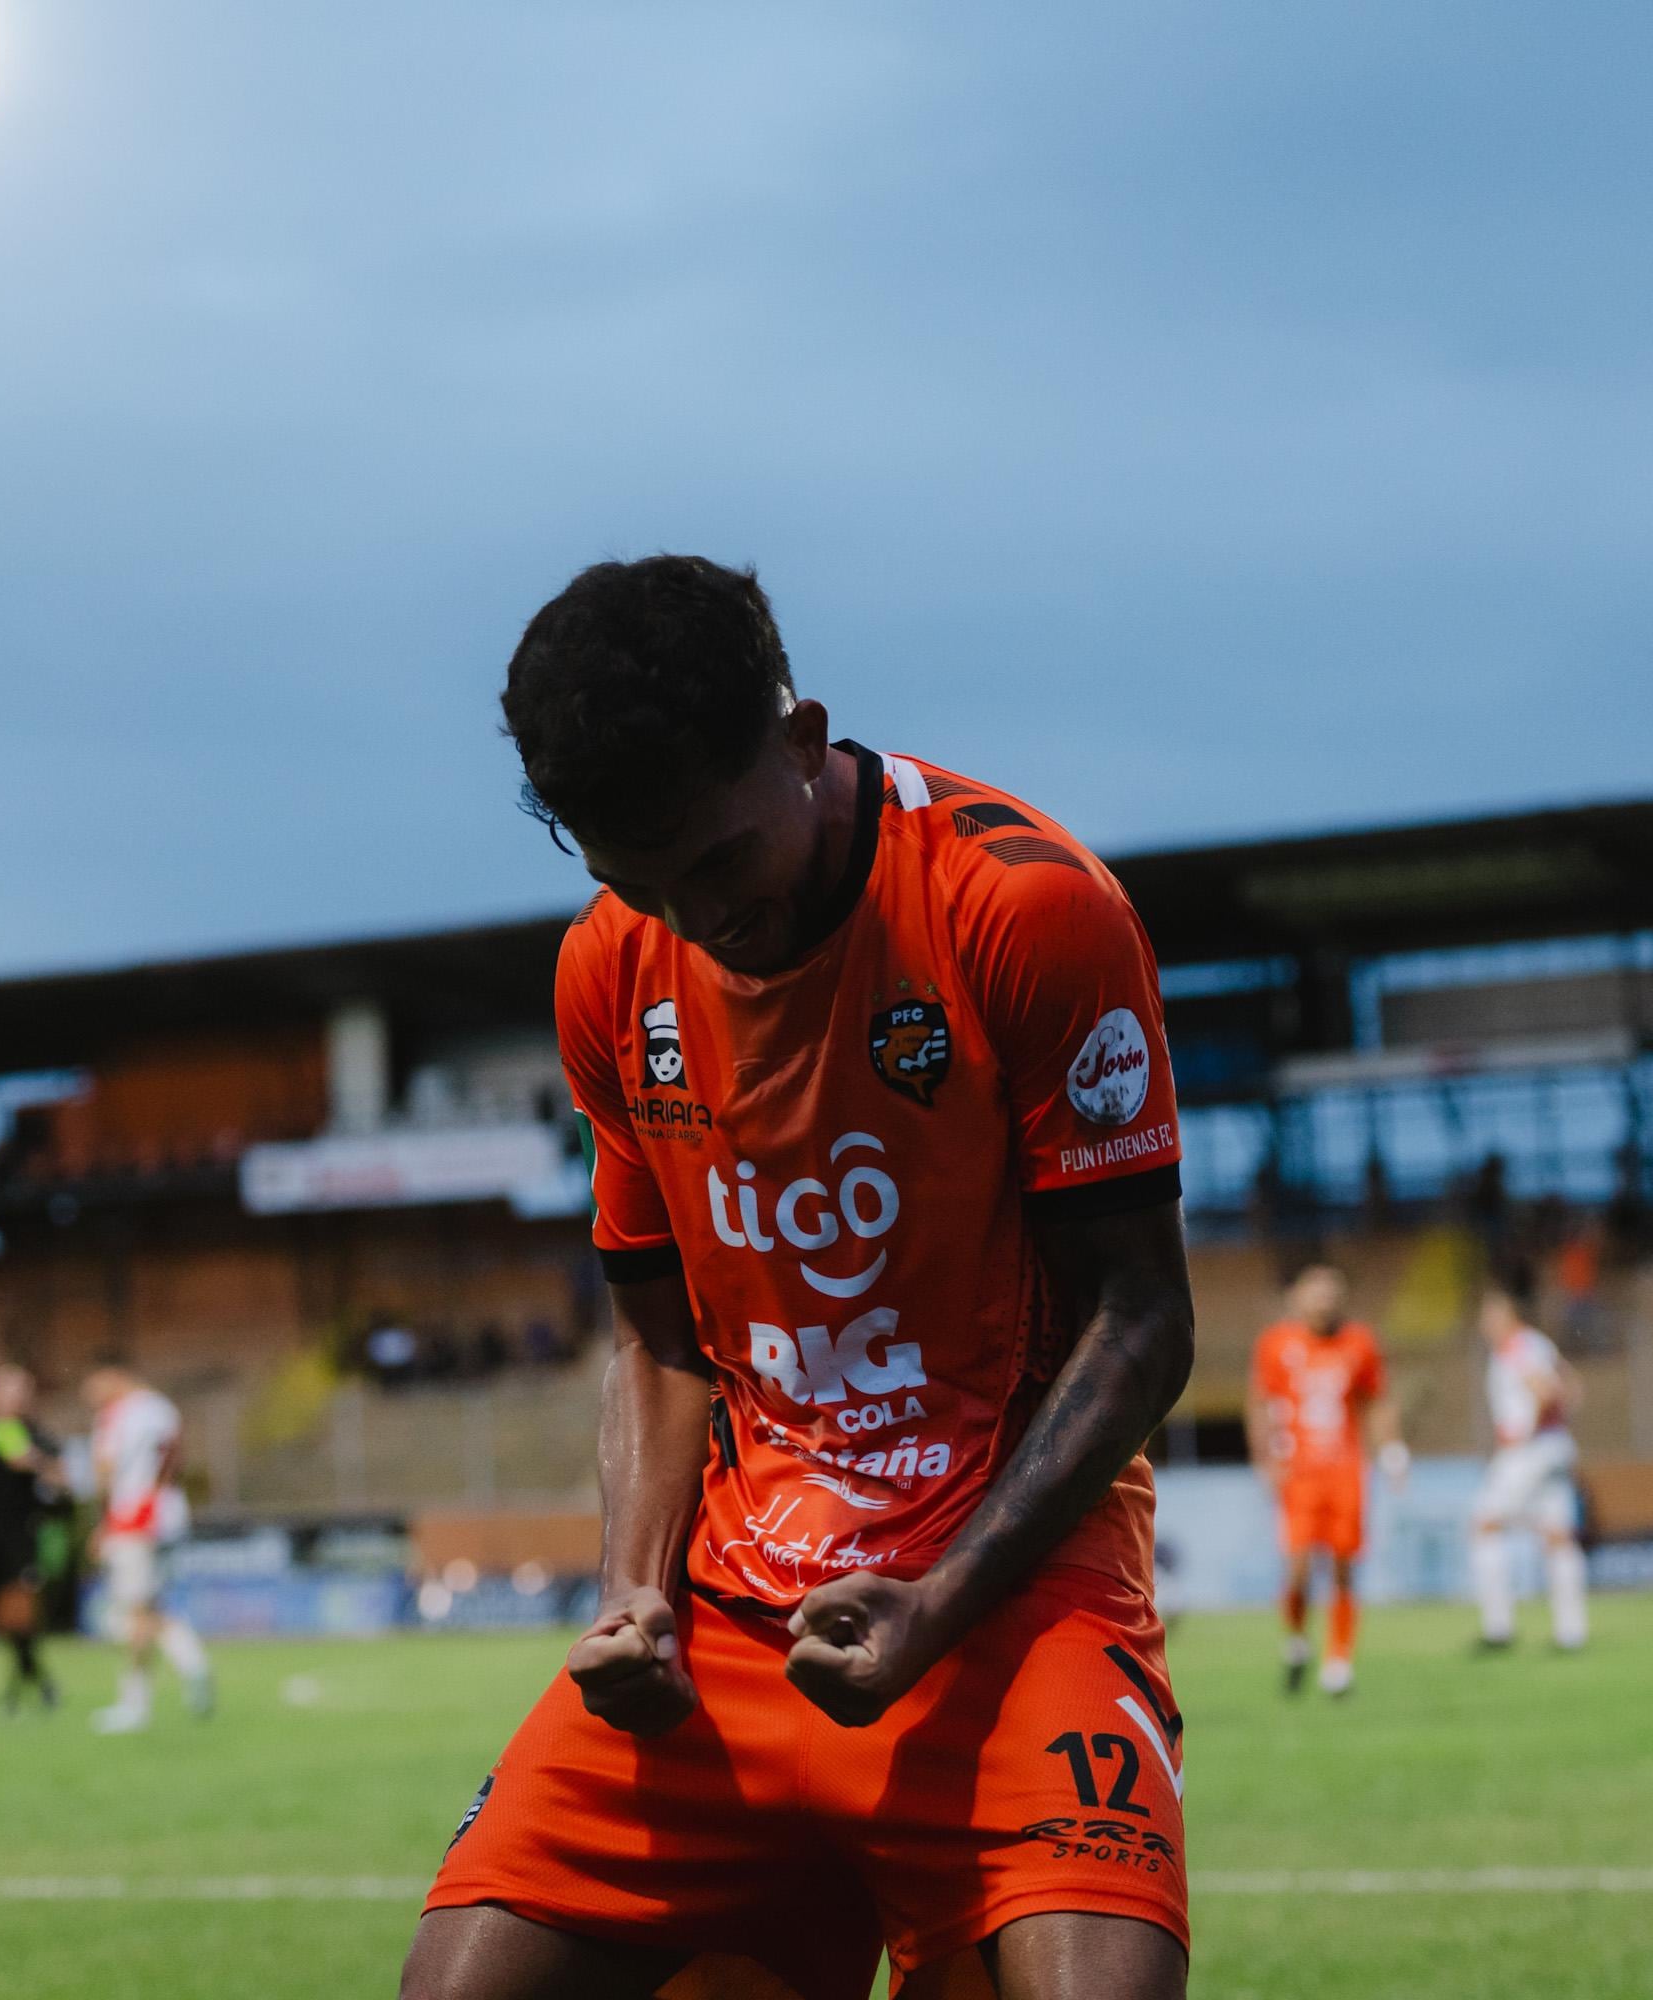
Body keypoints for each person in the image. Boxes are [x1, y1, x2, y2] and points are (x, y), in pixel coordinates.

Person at [404, 557, 1197, 2000]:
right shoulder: (612, 969)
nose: (694, 919)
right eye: (635, 881)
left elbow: (1142, 1322)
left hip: (1007, 1599)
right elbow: (660, 1346)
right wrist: (634, 1596)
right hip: (734, 1611)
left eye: (717, 863)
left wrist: (939, 1603)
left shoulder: (1019, 906)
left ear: (799, 736)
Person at [1247, 1264, 1406, 1696]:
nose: (1325, 1300)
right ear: (1297, 1297)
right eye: (1316, 1292)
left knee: (1343, 1566)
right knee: (1297, 1570)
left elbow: (1377, 1401)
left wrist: (1391, 1451)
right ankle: (1298, 1641)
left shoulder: (1360, 1343)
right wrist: (1264, 1460)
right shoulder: (1276, 1344)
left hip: (1345, 1470)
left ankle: (1339, 1662)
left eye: (1333, 1293)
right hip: (1298, 1473)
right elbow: (1260, 1405)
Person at [82, 1363, 214, 1731]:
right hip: (169, 1515)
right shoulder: (161, 1408)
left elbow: (104, 1469)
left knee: (133, 1615)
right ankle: (192, 1662)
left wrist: (105, 1522)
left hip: (132, 1519)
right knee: (151, 1607)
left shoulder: (117, 1414)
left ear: (112, 1375)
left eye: (93, 1387)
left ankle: (135, 1704)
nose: (91, 1397)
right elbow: (177, 1458)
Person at [1467, 1286, 1586, 1653]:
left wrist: (1527, 1429)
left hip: (1527, 1452)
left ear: (1507, 1315)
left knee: (1484, 1526)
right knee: (1557, 1537)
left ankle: (1498, 1628)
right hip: (1554, 1447)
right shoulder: (1539, 1343)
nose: (1484, 1324)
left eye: (1490, 1315)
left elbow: (1546, 1390)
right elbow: (1572, 1387)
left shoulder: (1517, 1347)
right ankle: (1571, 1633)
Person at [0, 1362, 62, 1713]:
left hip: (24, 1532)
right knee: (1, 1619)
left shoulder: (40, 1436)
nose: (9, 1397)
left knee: (21, 1612)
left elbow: (63, 1482)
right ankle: (39, 1679)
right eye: (2, 1390)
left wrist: (33, 1462)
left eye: (16, 1390)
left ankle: (18, 1688)